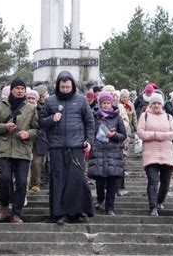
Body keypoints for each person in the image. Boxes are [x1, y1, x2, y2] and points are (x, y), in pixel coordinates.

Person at [40, 70, 95, 225]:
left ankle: (76, 211)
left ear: (72, 85)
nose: (65, 89)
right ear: (58, 85)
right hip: (56, 147)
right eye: (63, 86)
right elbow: (41, 122)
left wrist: (89, 140)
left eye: (68, 86)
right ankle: (59, 213)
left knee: (76, 180)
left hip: (76, 146)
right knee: (58, 181)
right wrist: (52, 119)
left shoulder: (81, 100)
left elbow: (90, 123)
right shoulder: (50, 101)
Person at [0, 77, 39, 224]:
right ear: (12, 90)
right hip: (4, 149)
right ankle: (4, 205)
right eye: (17, 88)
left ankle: (16, 213)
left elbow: (37, 129)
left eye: (22, 89)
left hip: (22, 150)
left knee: (22, 182)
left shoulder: (31, 108)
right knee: (5, 178)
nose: (20, 91)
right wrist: (5, 127)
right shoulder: (1, 106)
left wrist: (28, 134)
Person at [137, 91, 173, 216]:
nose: (156, 105)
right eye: (153, 103)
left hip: (167, 153)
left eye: (158, 103)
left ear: (162, 104)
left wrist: (155, 135)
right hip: (150, 153)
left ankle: (160, 201)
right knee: (153, 181)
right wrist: (157, 135)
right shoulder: (145, 115)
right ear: (150, 104)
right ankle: (153, 207)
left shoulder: (168, 117)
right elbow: (140, 132)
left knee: (165, 182)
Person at [88, 90, 126, 216]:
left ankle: (110, 207)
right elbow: (90, 133)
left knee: (111, 182)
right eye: (103, 103)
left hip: (113, 153)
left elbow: (123, 135)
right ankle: (100, 199)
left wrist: (113, 135)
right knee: (99, 181)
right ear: (99, 103)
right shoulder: (94, 117)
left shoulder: (117, 117)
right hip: (98, 151)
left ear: (111, 103)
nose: (105, 105)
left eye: (107, 103)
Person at [27, 88, 48, 193]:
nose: (31, 100)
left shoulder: (43, 110)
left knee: (37, 163)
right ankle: (25, 183)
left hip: (40, 139)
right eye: (29, 98)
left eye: (33, 98)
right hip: (25, 139)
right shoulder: (22, 109)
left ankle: (35, 183)